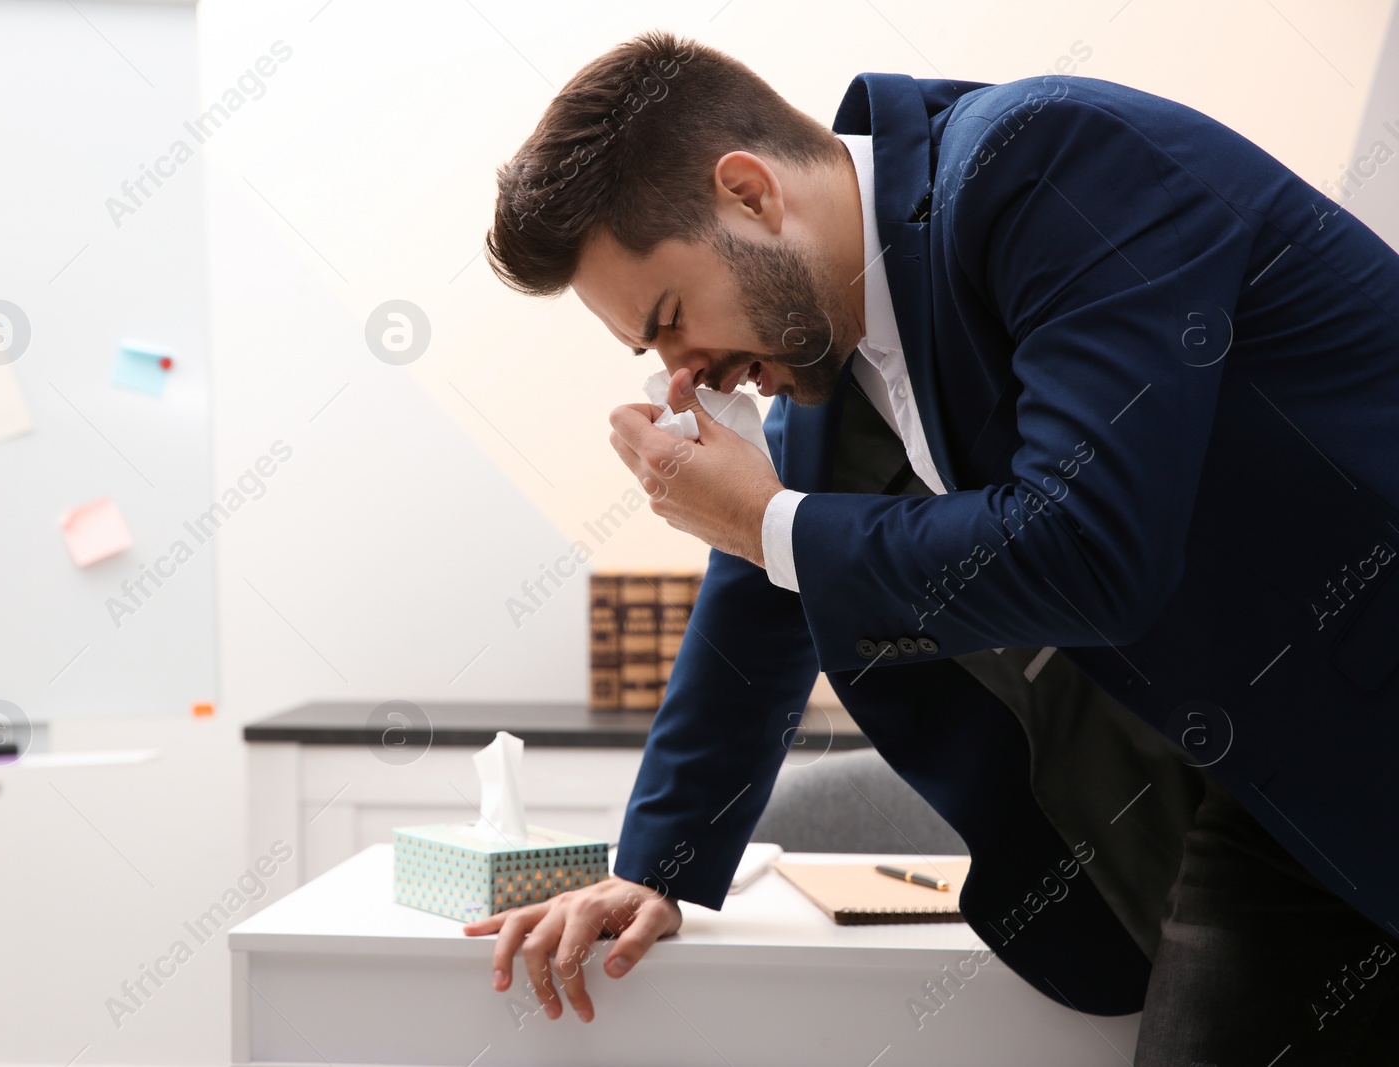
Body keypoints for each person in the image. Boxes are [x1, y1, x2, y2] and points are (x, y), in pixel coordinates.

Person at [469, 32, 1399, 1061]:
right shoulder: (842, 349)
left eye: (673, 319)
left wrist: (765, 521)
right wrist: (653, 867)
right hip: (1275, 786)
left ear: (747, 192)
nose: (686, 376)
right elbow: (763, 600)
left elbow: (1089, 546)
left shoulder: (1045, 162)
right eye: (652, 352)